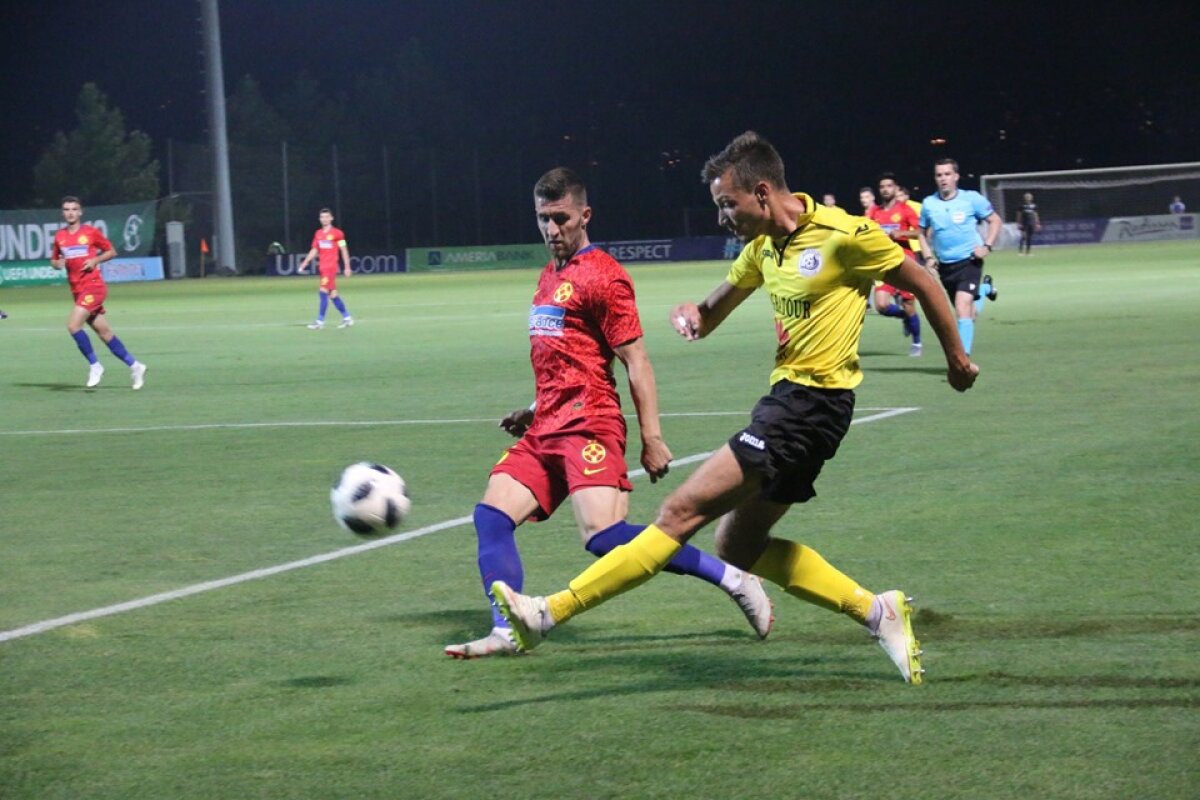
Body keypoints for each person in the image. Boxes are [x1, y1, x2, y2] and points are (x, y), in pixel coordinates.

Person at [490, 133, 978, 683]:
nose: (722, 217)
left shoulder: (845, 235)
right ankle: (876, 611)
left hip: (809, 406)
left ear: (762, 192)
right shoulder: (762, 248)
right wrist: (690, 316)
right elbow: (708, 314)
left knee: (678, 513)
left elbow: (922, 281)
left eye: (727, 204)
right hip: (795, 407)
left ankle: (548, 612)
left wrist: (957, 359)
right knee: (737, 543)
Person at [445, 167, 773, 659]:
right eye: (543, 218)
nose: (552, 229)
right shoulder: (549, 275)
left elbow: (636, 360)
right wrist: (532, 410)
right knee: (490, 517)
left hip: (589, 424)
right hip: (546, 425)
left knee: (603, 538)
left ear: (585, 215)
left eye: (561, 218)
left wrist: (652, 437)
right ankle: (507, 629)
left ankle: (732, 577)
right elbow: (567, 356)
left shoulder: (605, 276)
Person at [49, 196, 148, 389]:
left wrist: (95, 260)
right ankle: (136, 366)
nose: (70, 213)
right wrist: (57, 264)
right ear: (63, 213)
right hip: (77, 290)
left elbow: (111, 252)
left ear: (80, 212)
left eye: (74, 209)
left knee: (73, 326)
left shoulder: (90, 232)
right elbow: (53, 260)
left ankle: (95, 365)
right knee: (104, 333)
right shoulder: (60, 236)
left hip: (94, 286)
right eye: (67, 209)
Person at [917, 158, 1001, 355]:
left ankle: (962, 361)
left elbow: (995, 220)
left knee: (962, 308)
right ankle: (984, 289)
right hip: (946, 266)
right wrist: (928, 258)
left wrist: (987, 246)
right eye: (939, 175)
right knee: (969, 314)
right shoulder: (929, 204)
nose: (943, 178)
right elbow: (921, 233)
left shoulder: (971, 199)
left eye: (947, 174)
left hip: (970, 261)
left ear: (956, 176)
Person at [867, 173, 924, 356]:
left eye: (889, 186)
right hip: (884, 264)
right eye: (882, 186)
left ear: (896, 188)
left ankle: (917, 343)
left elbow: (920, 231)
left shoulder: (905, 210)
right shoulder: (874, 212)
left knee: (909, 304)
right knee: (881, 305)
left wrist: (901, 234)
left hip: (904, 263)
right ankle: (904, 317)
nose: (886, 189)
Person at [297, 208, 353, 329]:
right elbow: (315, 249)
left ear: (331, 218)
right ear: (319, 219)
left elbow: (344, 250)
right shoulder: (318, 234)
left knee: (323, 291)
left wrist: (347, 266)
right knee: (333, 295)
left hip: (331, 267)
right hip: (322, 267)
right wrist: (305, 262)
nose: (324, 219)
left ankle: (320, 321)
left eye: (327, 217)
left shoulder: (338, 233)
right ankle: (347, 318)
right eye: (322, 217)